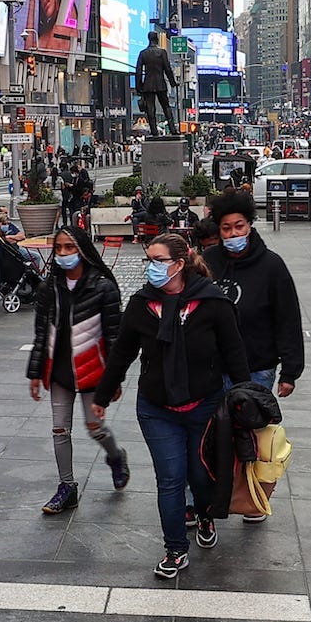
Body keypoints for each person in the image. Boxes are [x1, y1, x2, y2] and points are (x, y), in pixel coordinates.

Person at [92, 234, 249, 578]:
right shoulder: (142, 304)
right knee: (170, 479)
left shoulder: (212, 302)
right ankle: (176, 549)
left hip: (204, 405)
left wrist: (246, 397)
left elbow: (234, 352)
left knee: (200, 475)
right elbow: (122, 353)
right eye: (149, 258)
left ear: (179, 264)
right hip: (156, 408)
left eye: (157, 260)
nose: (150, 266)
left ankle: (205, 514)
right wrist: (102, 396)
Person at [28, 224, 133, 514]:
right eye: (59, 248)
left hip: (92, 369)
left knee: (94, 426)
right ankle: (67, 487)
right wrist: (35, 373)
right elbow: (40, 333)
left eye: (69, 247)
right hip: (59, 368)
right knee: (60, 429)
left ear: (83, 251)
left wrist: (115, 379)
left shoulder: (103, 287)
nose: (63, 254)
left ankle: (115, 457)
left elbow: (114, 336)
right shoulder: (49, 287)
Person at [201, 190, 306, 399]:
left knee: (249, 429)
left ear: (249, 225)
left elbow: (288, 319)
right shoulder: (208, 260)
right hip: (212, 368)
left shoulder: (271, 265)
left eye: (239, 226)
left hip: (257, 367)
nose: (233, 234)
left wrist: (290, 372)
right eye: (226, 228)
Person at [136, 29, 179, 135]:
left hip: (148, 85)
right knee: (166, 107)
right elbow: (168, 69)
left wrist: (139, 86)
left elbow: (138, 71)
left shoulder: (143, 53)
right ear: (157, 39)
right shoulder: (162, 52)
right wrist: (173, 82)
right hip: (160, 83)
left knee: (150, 109)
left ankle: (154, 131)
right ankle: (173, 130)